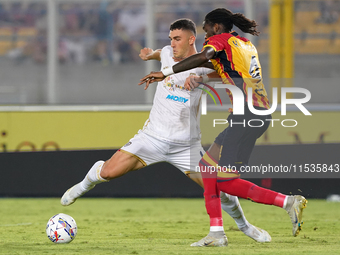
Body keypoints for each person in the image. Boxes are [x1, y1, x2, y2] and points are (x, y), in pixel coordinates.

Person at [61, 18, 271, 245]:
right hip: (151, 138)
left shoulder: (205, 61)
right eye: (171, 39)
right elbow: (162, 52)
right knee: (108, 173)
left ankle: (245, 226)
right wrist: (151, 54)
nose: (172, 44)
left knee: (221, 187)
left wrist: (201, 79)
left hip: (187, 145)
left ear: (192, 39)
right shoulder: (167, 55)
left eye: (177, 39)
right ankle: (83, 186)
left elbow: (224, 73)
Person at [139, 9, 307, 247]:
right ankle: (216, 233)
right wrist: (202, 79)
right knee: (207, 168)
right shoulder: (244, 44)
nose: (204, 36)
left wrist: (163, 72)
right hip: (255, 112)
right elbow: (226, 70)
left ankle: (287, 202)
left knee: (226, 182)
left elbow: (202, 57)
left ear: (216, 27)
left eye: (206, 29)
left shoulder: (219, 40)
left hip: (246, 114)